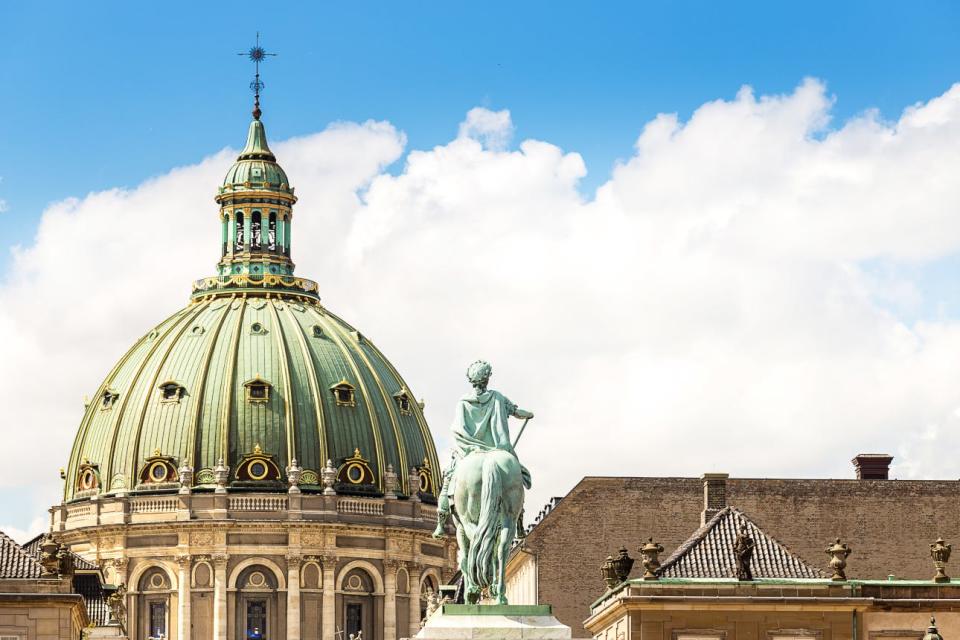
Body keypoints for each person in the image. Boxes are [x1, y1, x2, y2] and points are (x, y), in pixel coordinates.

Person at [433, 360, 533, 538]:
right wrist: (529, 414)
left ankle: (440, 523)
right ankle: (518, 523)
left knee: (448, 479)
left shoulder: (463, 402)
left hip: (469, 450)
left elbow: (457, 429)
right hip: (498, 449)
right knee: (515, 476)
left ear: (471, 381)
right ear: (487, 379)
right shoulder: (497, 398)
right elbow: (518, 412)